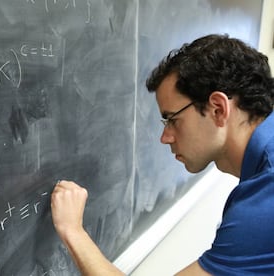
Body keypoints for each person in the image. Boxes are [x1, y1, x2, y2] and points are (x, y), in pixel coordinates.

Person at [51, 34, 274, 275]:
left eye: (172, 120)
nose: (165, 137)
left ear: (218, 109)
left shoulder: (262, 205)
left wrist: (73, 231)